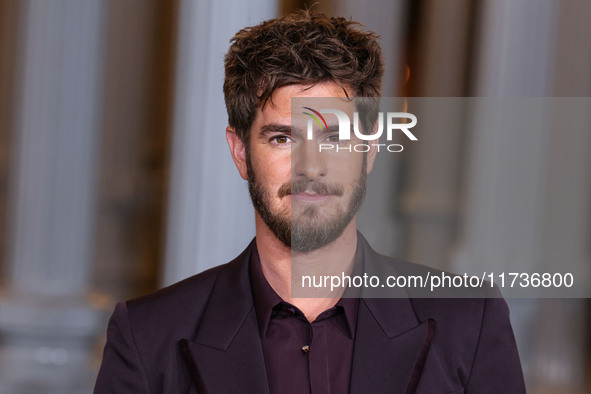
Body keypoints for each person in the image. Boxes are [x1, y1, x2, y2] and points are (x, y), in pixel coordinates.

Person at [94, 11, 526, 393]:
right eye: (282, 138)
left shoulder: (471, 322)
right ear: (241, 152)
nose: (311, 166)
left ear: (370, 151)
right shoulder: (147, 336)